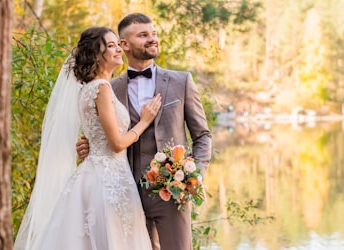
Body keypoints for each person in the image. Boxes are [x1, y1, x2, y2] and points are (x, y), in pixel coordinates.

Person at [14, 26, 162, 250]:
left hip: (95, 175)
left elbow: (97, 135)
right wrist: (144, 121)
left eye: (117, 44)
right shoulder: (101, 88)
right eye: (110, 46)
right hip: (109, 181)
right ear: (96, 54)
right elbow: (116, 144)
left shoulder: (87, 89)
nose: (118, 49)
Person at [77, 13, 212, 250]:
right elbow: (106, 132)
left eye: (154, 34)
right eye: (143, 35)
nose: (152, 39)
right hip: (124, 193)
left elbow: (202, 135)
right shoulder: (109, 86)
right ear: (124, 45)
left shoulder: (181, 82)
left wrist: (194, 176)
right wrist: (88, 145)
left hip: (171, 193)